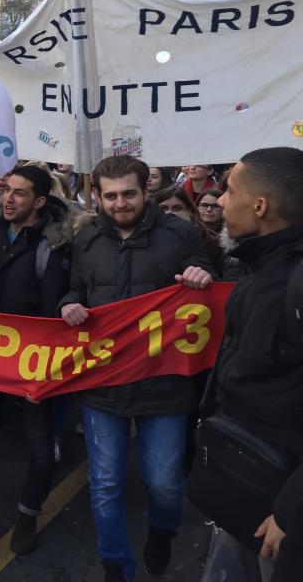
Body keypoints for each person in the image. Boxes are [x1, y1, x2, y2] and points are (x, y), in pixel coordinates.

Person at [59, 155, 214, 582]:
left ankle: (162, 532)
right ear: (97, 196)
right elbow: (75, 289)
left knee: (163, 482)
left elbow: (210, 279)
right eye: (110, 196)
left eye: (129, 193)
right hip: (103, 383)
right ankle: (115, 566)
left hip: (163, 383)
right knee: (105, 482)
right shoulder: (86, 238)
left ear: (146, 190)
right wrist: (67, 305)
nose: (120, 203)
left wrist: (203, 275)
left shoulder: (180, 234)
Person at [0, 165, 73, 556]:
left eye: (20, 194)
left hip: (33, 362)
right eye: (7, 190)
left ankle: (27, 514)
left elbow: (53, 310)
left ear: (39, 202)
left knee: (40, 450)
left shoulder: (51, 246)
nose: (9, 198)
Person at [205, 147, 303, 582]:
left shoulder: (295, 281)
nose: (220, 201)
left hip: (280, 509)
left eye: (229, 190)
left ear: (260, 206)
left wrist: (291, 511)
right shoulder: (257, 265)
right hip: (245, 479)